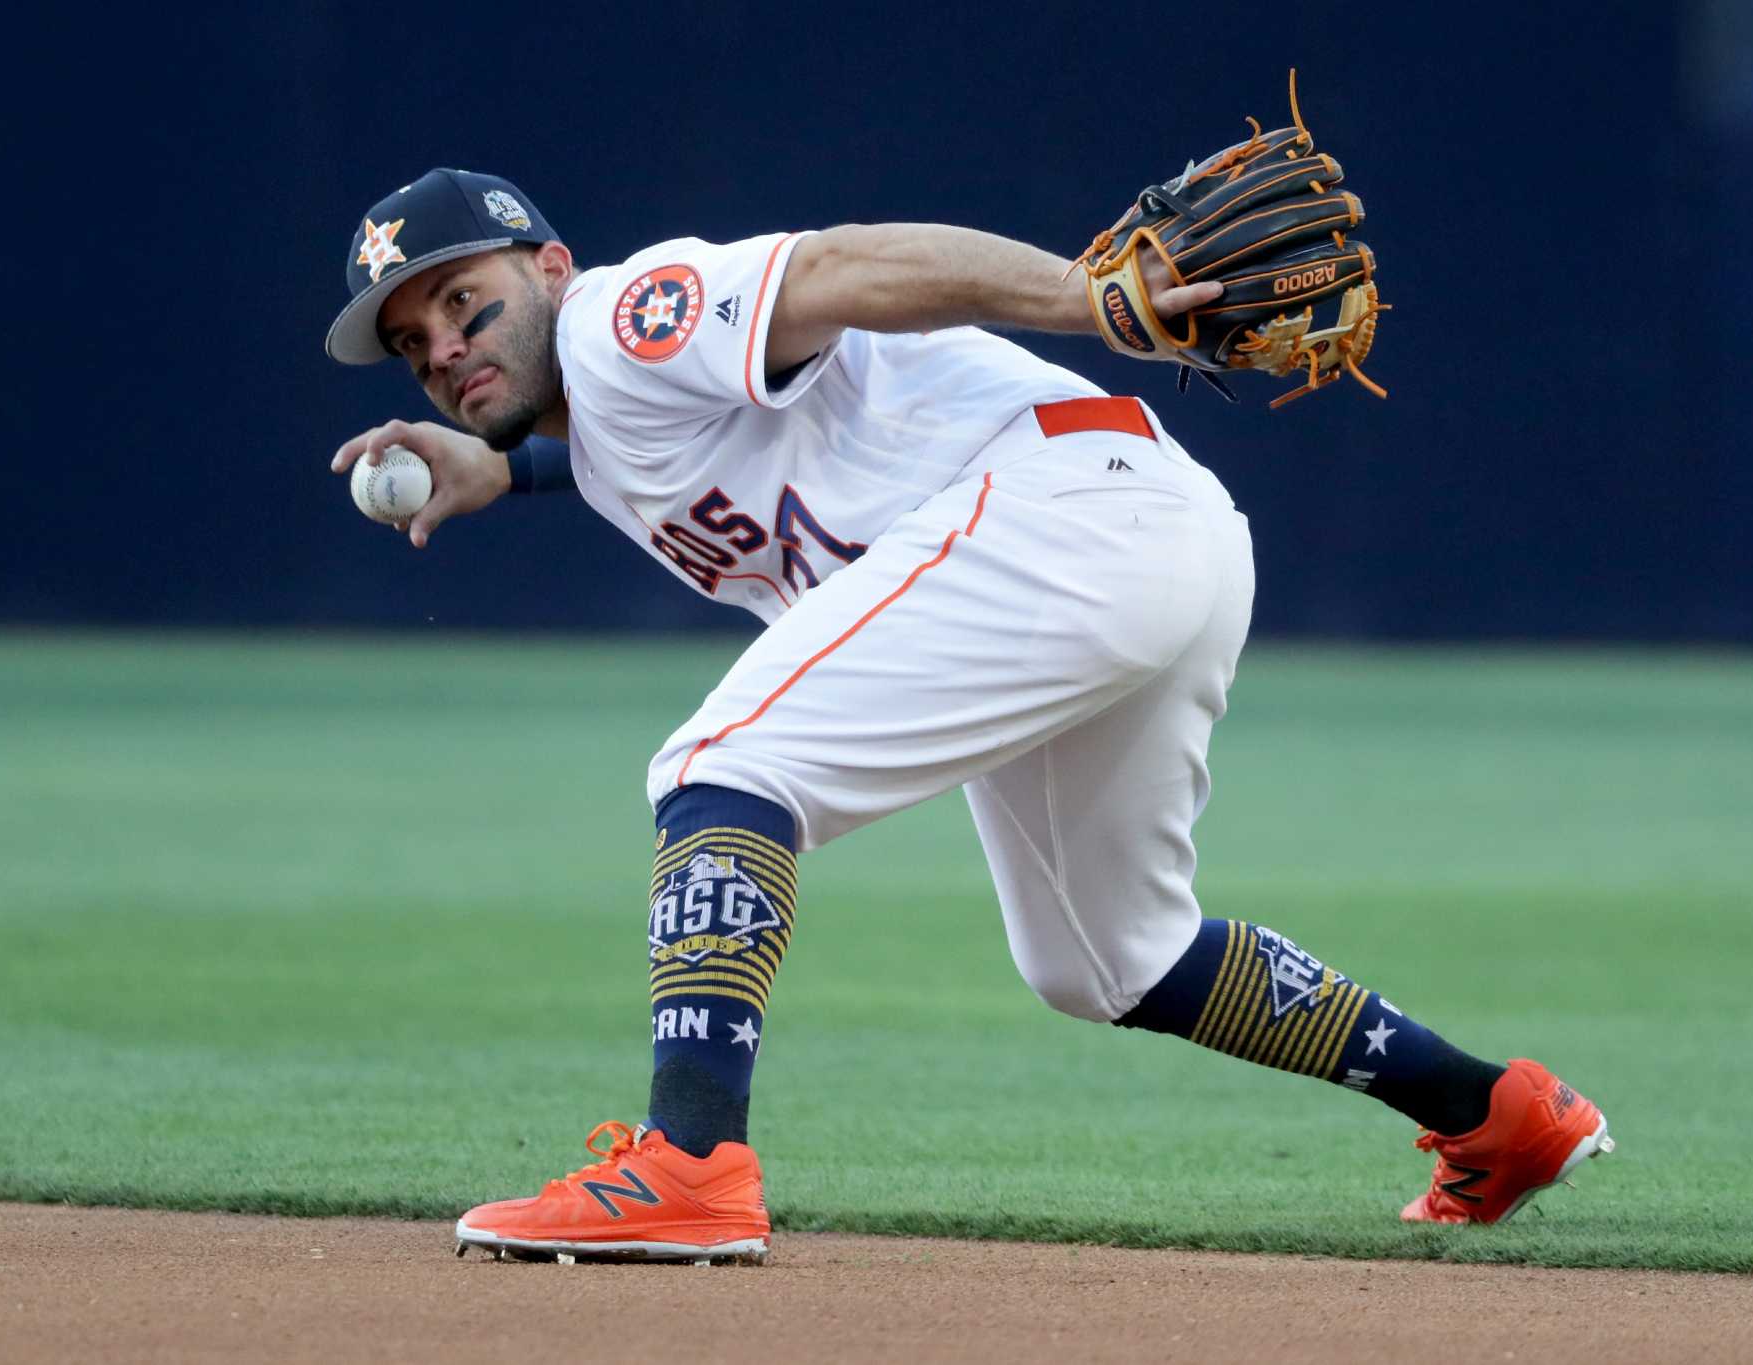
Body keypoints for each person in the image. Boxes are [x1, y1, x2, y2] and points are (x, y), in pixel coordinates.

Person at [323, 168, 1611, 1264]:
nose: (443, 346)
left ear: (550, 265)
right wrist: (505, 464)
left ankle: (689, 1164)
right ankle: (1497, 1113)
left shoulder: (619, 317)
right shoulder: (596, 415)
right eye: (412, 342)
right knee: (1109, 959)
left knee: (722, 764)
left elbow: (843, 266)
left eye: (463, 299)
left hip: (1061, 509)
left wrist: (1082, 298)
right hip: (1158, 534)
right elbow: (622, 441)